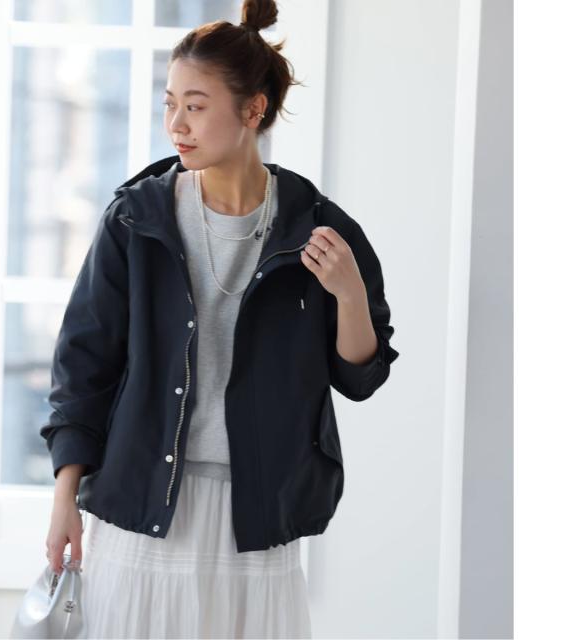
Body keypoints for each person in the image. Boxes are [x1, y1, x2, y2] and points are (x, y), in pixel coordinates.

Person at [40, 0, 400, 637]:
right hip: (143, 506)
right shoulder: (136, 219)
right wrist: (64, 497)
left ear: (253, 110)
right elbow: (84, 367)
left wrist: (348, 295)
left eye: (196, 106)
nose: (176, 124)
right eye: (170, 104)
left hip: (256, 514)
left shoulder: (317, 226)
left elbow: (360, 376)